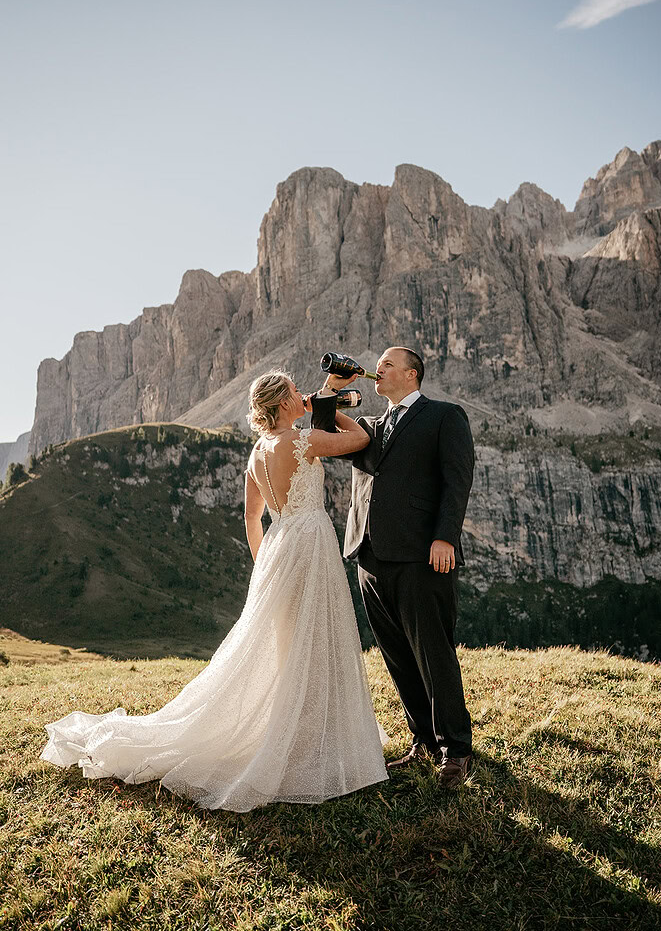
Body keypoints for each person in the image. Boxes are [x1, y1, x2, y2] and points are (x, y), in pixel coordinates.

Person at [40, 371, 388, 812]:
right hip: (308, 546)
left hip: (280, 547)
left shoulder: (258, 453)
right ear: (282, 403)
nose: (303, 396)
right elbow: (359, 440)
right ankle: (310, 742)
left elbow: (251, 518)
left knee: (289, 644)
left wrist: (267, 566)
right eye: (296, 393)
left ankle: (304, 732)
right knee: (317, 641)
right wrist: (333, 405)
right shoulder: (303, 441)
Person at [311, 346, 475, 787]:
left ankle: (456, 749)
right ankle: (423, 739)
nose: (376, 370)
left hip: (423, 555)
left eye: (386, 365)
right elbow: (321, 431)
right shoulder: (370, 429)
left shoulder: (444, 416)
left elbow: (457, 479)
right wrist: (332, 388)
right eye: (376, 366)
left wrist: (446, 537)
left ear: (412, 374)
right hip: (369, 556)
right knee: (398, 656)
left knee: (433, 652)